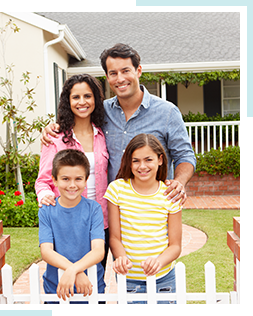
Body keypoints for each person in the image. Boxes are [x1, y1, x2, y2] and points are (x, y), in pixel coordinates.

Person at [40, 43, 196, 206]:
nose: (120, 79)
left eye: (126, 71)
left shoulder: (167, 112)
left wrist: (179, 181)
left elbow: (185, 155)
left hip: (153, 208)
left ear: (139, 71)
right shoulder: (100, 111)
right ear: (107, 77)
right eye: (113, 73)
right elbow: (78, 120)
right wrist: (54, 128)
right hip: (112, 208)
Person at [35, 74, 110, 271]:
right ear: (68, 101)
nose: (82, 102)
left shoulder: (104, 134)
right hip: (68, 222)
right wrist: (46, 197)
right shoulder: (55, 138)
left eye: (87, 96)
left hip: (100, 219)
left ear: (95, 99)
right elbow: (43, 181)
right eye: (76, 97)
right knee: (68, 279)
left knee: (95, 278)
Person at [104, 133, 182, 304]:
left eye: (148, 159)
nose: (142, 166)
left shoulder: (169, 195)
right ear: (129, 162)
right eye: (136, 160)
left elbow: (175, 246)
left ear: (160, 160)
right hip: (129, 279)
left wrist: (158, 262)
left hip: (163, 278)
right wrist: (121, 257)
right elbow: (115, 238)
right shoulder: (117, 190)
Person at [39, 149, 106, 304]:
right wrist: (74, 271)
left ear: (86, 179)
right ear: (54, 180)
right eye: (65, 179)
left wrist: (73, 270)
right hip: (57, 287)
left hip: (91, 287)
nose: (72, 185)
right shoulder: (47, 211)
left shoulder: (94, 209)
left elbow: (98, 251)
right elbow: (46, 252)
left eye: (78, 179)